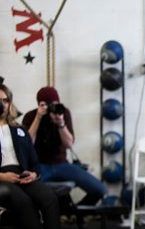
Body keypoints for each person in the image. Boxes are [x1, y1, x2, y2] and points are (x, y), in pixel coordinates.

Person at [22, 86, 106, 208]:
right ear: (39, 104)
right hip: (39, 166)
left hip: (62, 165)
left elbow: (69, 144)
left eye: (54, 104)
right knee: (25, 192)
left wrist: (61, 123)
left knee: (100, 190)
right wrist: (38, 118)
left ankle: (73, 213)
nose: (51, 108)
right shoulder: (31, 116)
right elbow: (27, 145)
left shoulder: (63, 113)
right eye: (46, 104)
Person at [0, 83, 61, 229]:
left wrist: (33, 174)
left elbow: (34, 162)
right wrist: (3, 176)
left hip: (22, 176)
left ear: (10, 103)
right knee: (23, 202)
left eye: (5, 100)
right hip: (2, 178)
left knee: (49, 198)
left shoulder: (19, 130)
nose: (2, 104)